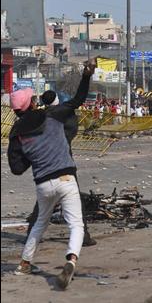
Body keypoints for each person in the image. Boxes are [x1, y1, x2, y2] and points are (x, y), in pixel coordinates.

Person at [8, 60, 95, 289]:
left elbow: (16, 169)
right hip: (66, 178)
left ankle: (25, 264)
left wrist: (32, 154)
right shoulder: (53, 115)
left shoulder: (17, 133)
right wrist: (86, 75)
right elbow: (77, 100)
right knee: (76, 224)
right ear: (32, 102)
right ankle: (71, 260)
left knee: (39, 223)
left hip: (43, 184)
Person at [24, 88, 97, 247]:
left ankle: (31, 233)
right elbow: (71, 131)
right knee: (74, 198)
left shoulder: (41, 117)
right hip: (64, 163)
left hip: (46, 163)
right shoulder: (64, 115)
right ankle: (83, 236)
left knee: (44, 200)